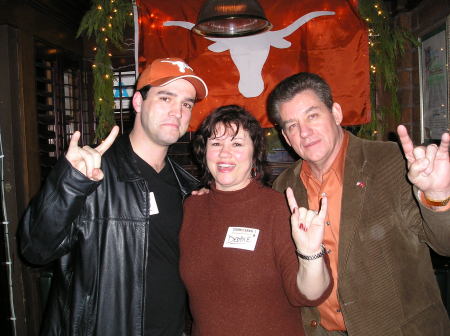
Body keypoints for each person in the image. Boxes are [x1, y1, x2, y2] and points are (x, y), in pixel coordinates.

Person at [19, 57, 208, 335]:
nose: (177, 112)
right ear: (138, 103)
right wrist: (70, 184)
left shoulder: (187, 187)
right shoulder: (92, 172)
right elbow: (35, 250)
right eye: (166, 98)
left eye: (186, 103)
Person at [267, 72, 450, 335]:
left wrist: (438, 195)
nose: (304, 132)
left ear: (336, 113)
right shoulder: (284, 186)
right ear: (286, 137)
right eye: (292, 125)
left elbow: (444, 244)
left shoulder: (392, 163)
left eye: (312, 115)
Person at [179, 105, 332, 336]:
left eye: (237, 144)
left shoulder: (279, 210)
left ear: (255, 153)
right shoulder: (192, 207)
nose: (224, 153)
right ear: (204, 151)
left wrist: (310, 255)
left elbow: (309, 294)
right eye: (216, 143)